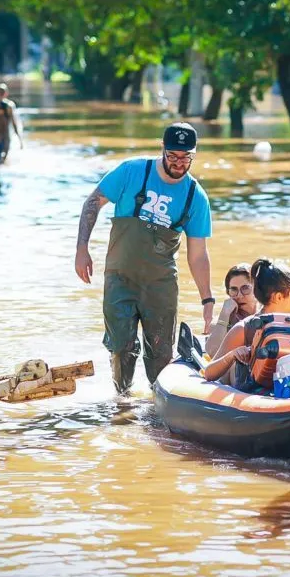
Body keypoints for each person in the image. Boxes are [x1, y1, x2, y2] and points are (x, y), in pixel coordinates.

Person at [75, 122, 214, 394]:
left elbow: (198, 255)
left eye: (186, 157)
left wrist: (207, 299)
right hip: (119, 278)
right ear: (161, 149)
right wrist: (82, 248)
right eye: (173, 155)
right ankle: (122, 403)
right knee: (121, 347)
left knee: (162, 354)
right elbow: (93, 202)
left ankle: (157, 409)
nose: (179, 163)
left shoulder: (195, 196)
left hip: (160, 284)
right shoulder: (132, 171)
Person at [202, 258, 290, 386]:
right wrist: (232, 355)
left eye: (245, 288)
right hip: (248, 395)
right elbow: (209, 373)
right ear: (279, 297)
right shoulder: (243, 329)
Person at [204, 264, 258, 355]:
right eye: (234, 290)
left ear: (257, 289)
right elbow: (212, 352)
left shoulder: (270, 313)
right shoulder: (222, 323)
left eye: (245, 288)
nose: (239, 296)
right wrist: (224, 315)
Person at [0, 83, 23, 162]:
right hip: (5, 132)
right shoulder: (9, 105)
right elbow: (13, 121)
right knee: (5, 153)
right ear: (6, 93)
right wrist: (19, 138)